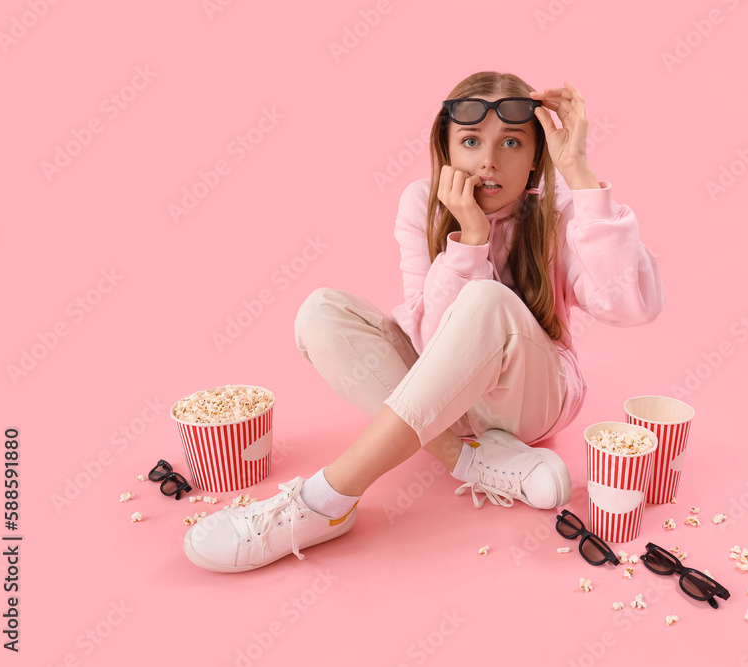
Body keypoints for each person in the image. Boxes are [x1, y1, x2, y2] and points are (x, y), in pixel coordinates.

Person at [183, 72, 665, 573]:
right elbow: (432, 344)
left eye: (513, 143)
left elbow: (630, 306)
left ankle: (324, 500)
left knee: (484, 299)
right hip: (449, 404)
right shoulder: (421, 203)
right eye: (472, 141)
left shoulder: (563, 210)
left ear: (537, 156)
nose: (488, 161)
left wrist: (580, 174)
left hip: (535, 398)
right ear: (446, 147)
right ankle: (471, 459)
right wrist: (471, 238)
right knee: (321, 311)